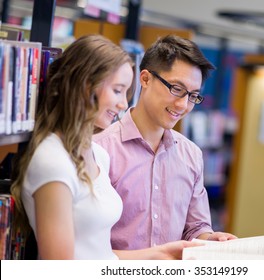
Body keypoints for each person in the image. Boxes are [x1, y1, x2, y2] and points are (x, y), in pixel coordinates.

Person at [10, 34, 199, 260]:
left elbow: (100, 255)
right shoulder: (51, 161)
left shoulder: (97, 154)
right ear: (85, 86)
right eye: (118, 90)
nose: (123, 104)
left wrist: (159, 254)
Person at [93, 34, 236, 251]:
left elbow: (196, 227)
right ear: (146, 79)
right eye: (176, 89)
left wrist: (210, 240)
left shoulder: (191, 155)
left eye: (193, 96)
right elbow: (89, 247)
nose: (182, 105)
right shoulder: (100, 149)